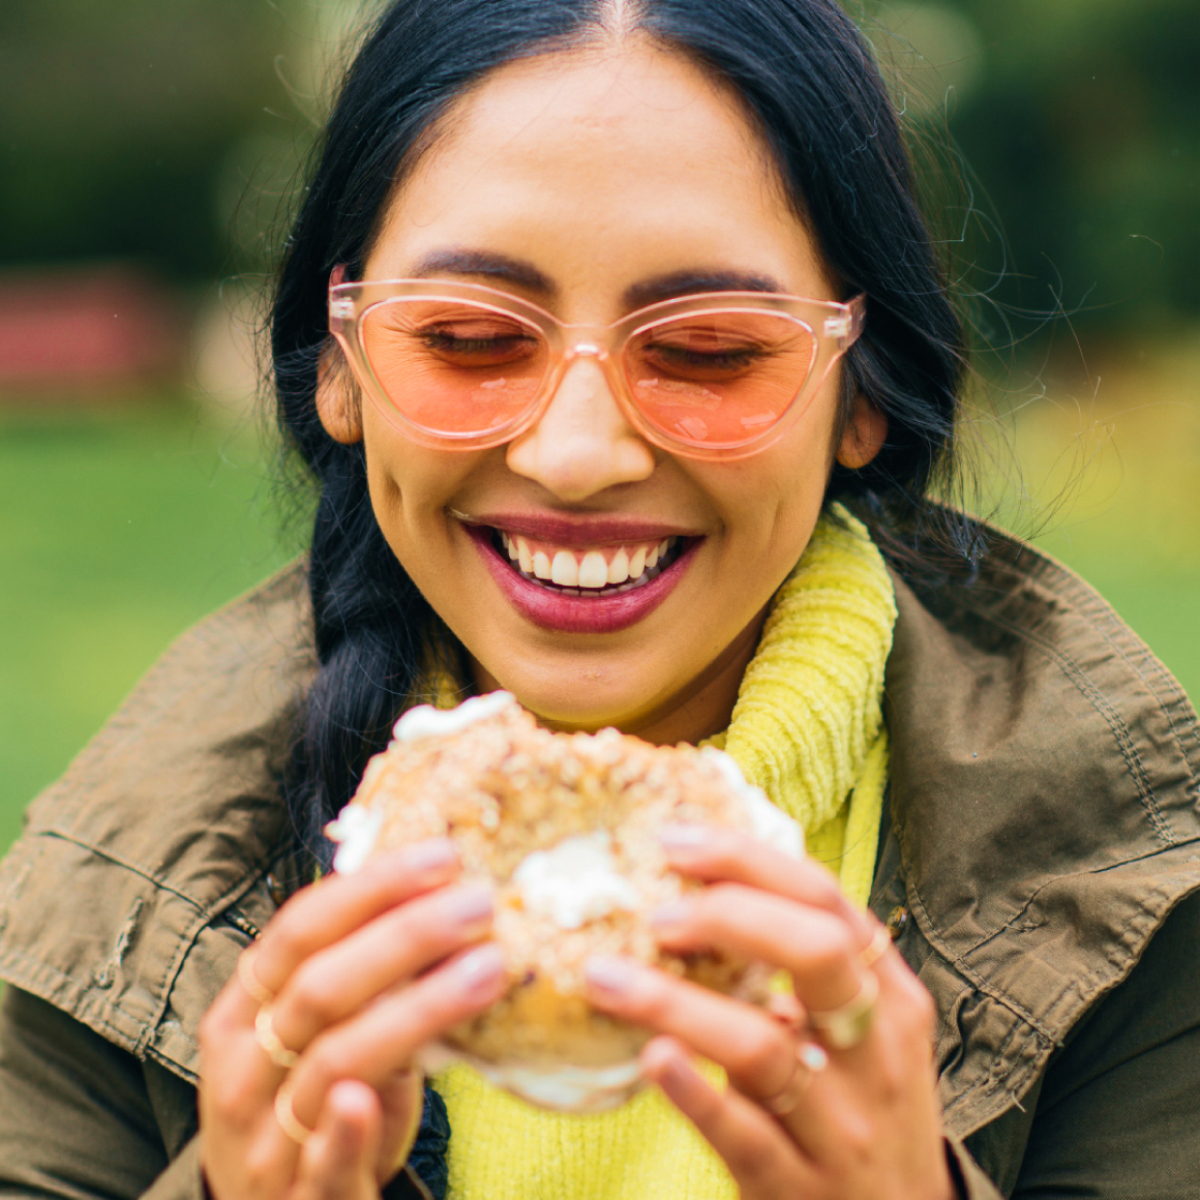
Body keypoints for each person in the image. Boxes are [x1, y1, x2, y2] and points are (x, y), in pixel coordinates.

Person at [1, 1, 1198, 1197]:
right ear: (344, 365)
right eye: (469, 339)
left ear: (862, 392)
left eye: (711, 349)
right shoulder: (109, 900)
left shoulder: (1137, 895)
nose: (579, 455)